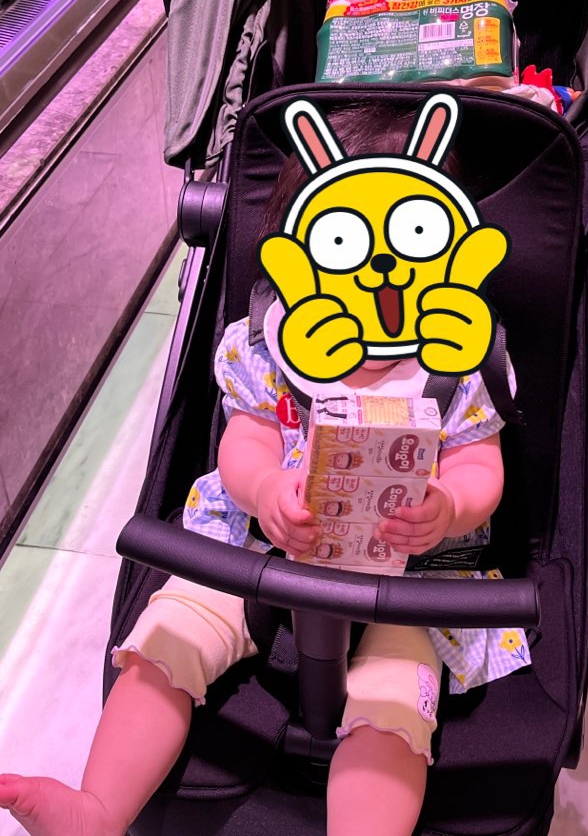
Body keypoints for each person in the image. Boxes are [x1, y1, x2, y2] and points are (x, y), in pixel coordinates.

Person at [0, 106, 530, 836]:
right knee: (171, 637)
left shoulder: (456, 358)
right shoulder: (267, 344)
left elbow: (479, 462)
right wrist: (266, 488)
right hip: (259, 543)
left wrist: (450, 506)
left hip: (409, 567)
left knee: (395, 706)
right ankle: (98, 809)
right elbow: (243, 441)